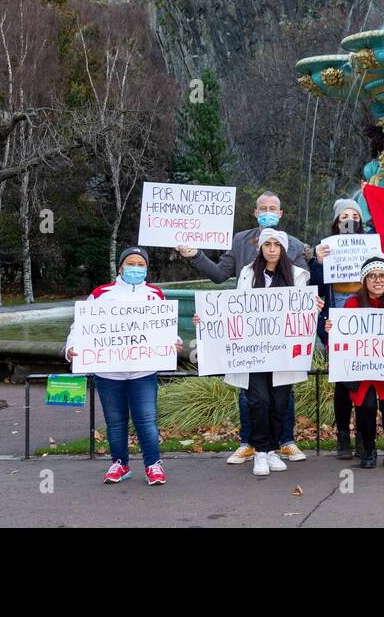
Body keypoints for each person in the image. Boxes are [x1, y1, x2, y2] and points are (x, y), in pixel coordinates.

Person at [176, 191, 312, 465]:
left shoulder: (295, 246)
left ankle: (282, 443)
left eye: (273, 207)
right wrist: (195, 255)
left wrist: (314, 304)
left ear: (281, 213)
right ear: (255, 212)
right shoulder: (240, 242)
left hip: (282, 343)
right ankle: (251, 444)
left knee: (281, 395)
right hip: (250, 342)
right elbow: (219, 276)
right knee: (253, 395)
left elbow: (302, 295)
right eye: (263, 207)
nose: (268, 211)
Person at [194, 228, 320, 477]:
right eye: (267, 244)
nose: (272, 249)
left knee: (280, 402)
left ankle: (273, 449)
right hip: (254, 353)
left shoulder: (297, 275)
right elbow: (235, 308)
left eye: (276, 244)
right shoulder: (248, 273)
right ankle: (260, 451)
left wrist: (313, 307)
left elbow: (301, 312)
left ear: (283, 248)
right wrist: (207, 316)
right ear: (260, 248)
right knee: (259, 400)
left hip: (283, 353)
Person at [65, 246, 182, 485]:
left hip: (143, 370)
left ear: (147, 269)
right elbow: (80, 325)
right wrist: (71, 348)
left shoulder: (155, 294)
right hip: (109, 372)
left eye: (141, 264)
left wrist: (174, 342)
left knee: (146, 419)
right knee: (115, 421)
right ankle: (120, 463)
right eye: (131, 263)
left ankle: (153, 464)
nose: (135, 268)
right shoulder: (101, 294)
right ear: (120, 267)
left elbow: (165, 327)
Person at [325, 256, 384, 469]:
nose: (377, 280)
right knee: (366, 406)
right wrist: (333, 329)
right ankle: (368, 450)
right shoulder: (353, 303)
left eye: (382, 276)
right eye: (372, 276)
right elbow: (341, 336)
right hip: (362, 368)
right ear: (364, 280)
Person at [311, 198, 368, 459]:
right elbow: (316, 290)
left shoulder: (370, 245)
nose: (350, 220)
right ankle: (343, 437)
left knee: (366, 382)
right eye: (345, 216)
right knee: (344, 384)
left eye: (354, 216)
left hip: (366, 318)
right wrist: (319, 263)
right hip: (337, 318)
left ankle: (365, 438)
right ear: (336, 221)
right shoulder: (326, 248)